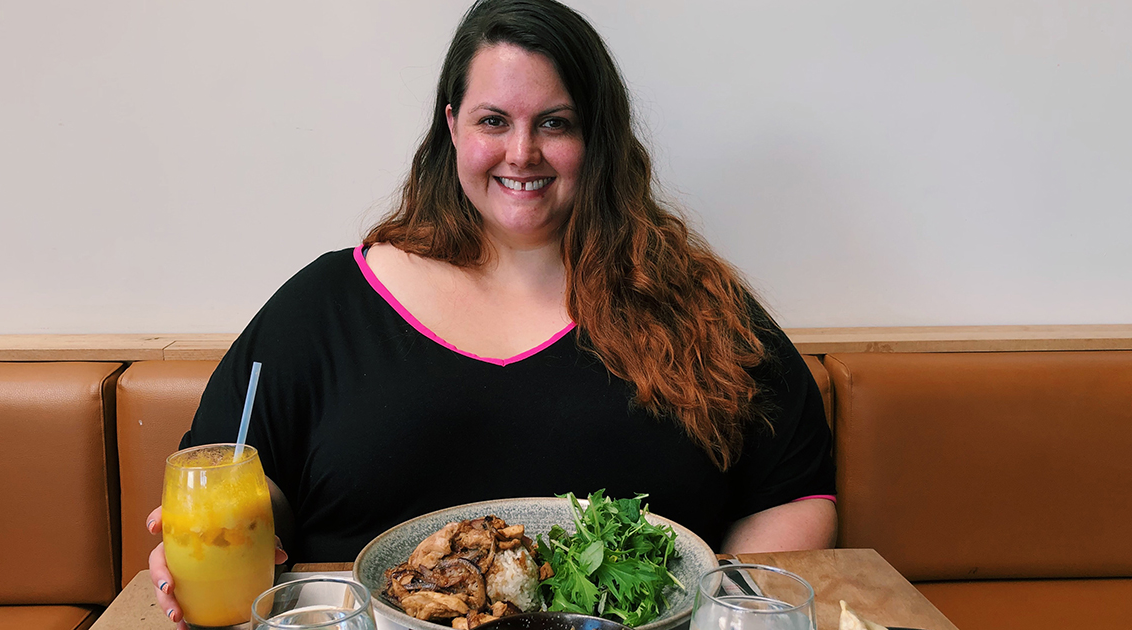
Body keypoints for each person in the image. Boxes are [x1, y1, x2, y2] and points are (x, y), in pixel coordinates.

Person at [146, 0, 836, 625]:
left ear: (597, 139)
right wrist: (227, 540)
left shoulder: (691, 300)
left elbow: (792, 491)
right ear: (452, 127)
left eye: (555, 123)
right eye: (493, 121)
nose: (521, 152)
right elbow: (236, 471)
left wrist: (735, 611)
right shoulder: (326, 303)